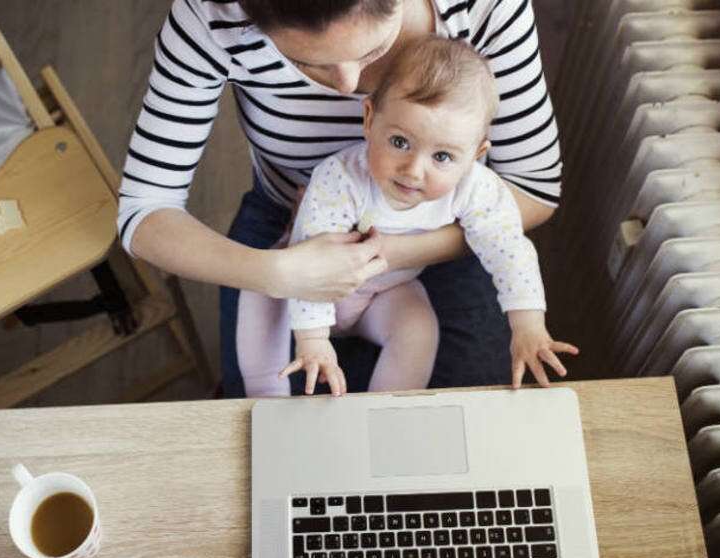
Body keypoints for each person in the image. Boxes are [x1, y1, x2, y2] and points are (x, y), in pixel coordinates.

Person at [117, 0, 563, 396]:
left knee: (467, 407)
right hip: (287, 229)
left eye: (373, 52)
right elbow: (144, 210)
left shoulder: (486, 8)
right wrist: (278, 272)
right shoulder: (211, 18)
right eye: (305, 63)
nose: (349, 86)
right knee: (266, 414)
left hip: (446, 232)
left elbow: (532, 190)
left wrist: (389, 251)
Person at [239, 36, 576, 397]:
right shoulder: (341, 177)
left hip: (384, 291)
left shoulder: (477, 188)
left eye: (442, 157)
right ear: (369, 120)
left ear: (476, 155)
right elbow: (311, 258)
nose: (414, 171)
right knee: (260, 292)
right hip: (306, 283)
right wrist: (314, 340)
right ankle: (264, 397)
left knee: (417, 328)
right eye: (400, 142)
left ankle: (387, 408)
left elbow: (509, 250)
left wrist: (528, 325)